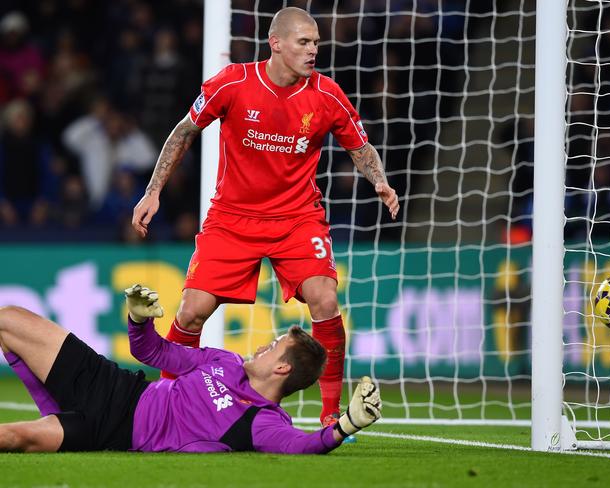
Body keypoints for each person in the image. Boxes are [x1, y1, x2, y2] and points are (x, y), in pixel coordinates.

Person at [131, 6, 399, 431]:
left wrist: (380, 182)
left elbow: (360, 147)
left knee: (325, 300)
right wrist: (153, 190)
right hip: (232, 219)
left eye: (316, 43)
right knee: (190, 311)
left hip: (297, 219)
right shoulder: (233, 82)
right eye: (304, 42)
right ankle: (169, 402)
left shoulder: (327, 95)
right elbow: (184, 130)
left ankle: (330, 412)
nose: (313, 51)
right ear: (276, 43)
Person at [0, 285, 382, 453]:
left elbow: (304, 445)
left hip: (106, 432)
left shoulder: (262, 422)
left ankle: (53, 417)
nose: (262, 346)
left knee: (11, 438)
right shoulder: (225, 361)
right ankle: (53, 405)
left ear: (282, 368)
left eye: (272, 347)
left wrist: (346, 424)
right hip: (114, 385)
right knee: (9, 319)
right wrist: (137, 319)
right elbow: (151, 352)